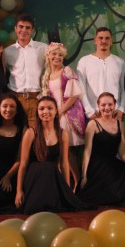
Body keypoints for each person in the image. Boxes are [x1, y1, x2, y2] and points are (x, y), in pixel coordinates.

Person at [14, 96, 93, 214]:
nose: (45, 111)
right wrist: (19, 191)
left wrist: (66, 190)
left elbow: (64, 164)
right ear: (38, 112)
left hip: (52, 175)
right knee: (48, 167)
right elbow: (23, 164)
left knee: (50, 167)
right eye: (41, 109)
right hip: (35, 176)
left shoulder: (62, 134)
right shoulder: (31, 133)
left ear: (56, 111)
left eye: (50, 108)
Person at [78, 92, 125, 205]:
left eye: (110, 104)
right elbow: (87, 151)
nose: (107, 108)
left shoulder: (120, 124)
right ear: (98, 106)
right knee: (114, 191)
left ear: (114, 105)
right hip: (97, 166)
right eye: (103, 105)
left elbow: (122, 150)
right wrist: (84, 175)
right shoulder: (93, 124)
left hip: (112, 163)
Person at [41, 42, 86, 189]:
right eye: (54, 54)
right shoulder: (47, 75)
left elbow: (74, 95)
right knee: (63, 149)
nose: (57, 57)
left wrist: (61, 111)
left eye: (60, 55)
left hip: (69, 113)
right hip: (56, 115)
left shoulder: (66, 71)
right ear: (48, 56)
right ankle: (73, 180)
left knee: (72, 148)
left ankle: (80, 181)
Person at [4, 13, 48, 128]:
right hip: (15, 99)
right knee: (16, 133)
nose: (24, 30)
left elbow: (55, 66)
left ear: (32, 30)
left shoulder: (43, 48)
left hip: (36, 99)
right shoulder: (7, 52)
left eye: (27, 28)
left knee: (36, 133)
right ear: (15, 28)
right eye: (21, 27)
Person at [77, 27, 125, 120]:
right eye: (100, 38)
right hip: (93, 114)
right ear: (95, 41)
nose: (104, 41)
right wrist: (89, 111)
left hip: (114, 114)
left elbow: (124, 88)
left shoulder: (120, 62)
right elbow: (81, 89)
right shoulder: (84, 61)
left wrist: (122, 109)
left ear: (111, 41)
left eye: (107, 38)